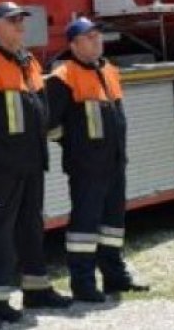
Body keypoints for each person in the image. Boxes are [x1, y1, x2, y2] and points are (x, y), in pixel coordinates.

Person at [0, 1, 72, 323]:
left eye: (21, 21)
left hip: (30, 163)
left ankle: (36, 288)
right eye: (13, 22)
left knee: (30, 227)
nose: (21, 27)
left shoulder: (28, 62)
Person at [46, 17, 150, 301]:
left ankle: (115, 277)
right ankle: (83, 284)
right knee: (84, 226)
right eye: (89, 37)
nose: (97, 41)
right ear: (74, 44)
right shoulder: (63, 77)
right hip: (86, 167)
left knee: (113, 225)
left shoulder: (109, 70)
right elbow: (50, 124)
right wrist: (75, 146)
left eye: (98, 36)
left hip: (115, 163)